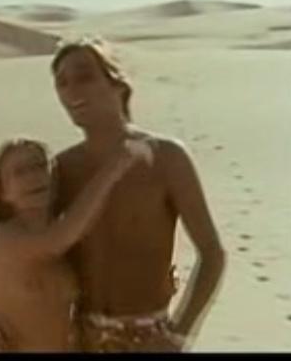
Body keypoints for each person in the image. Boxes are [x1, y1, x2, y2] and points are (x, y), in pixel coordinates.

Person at [49, 34, 227, 352]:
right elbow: (27, 251)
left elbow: (212, 253)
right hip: (77, 339)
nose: (71, 90)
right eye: (61, 82)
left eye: (84, 76)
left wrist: (179, 334)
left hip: (148, 338)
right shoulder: (61, 168)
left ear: (117, 83)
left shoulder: (165, 157)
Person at [0, 136, 150, 352]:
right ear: (3, 192)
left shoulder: (63, 242)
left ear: (54, 176)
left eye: (40, 165)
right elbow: (59, 238)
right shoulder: (5, 237)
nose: (33, 176)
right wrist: (113, 169)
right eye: (20, 172)